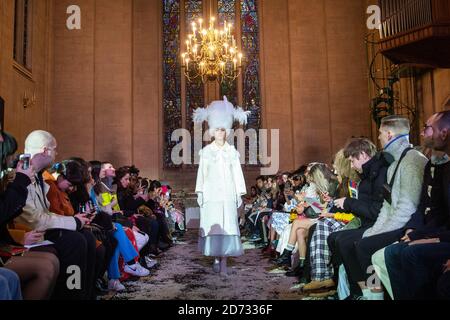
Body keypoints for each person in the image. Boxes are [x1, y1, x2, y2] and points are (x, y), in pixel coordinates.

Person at [372, 110, 450, 300]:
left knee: (409, 253)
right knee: (391, 253)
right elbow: (427, 206)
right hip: (435, 230)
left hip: (442, 234)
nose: (423, 133)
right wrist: (413, 231)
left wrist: (430, 238)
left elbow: (411, 205)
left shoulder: (417, 161)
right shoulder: (439, 166)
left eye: (427, 128)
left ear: (444, 132)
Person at [193, 96, 249, 276]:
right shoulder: (206, 152)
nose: (220, 133)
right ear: (212, 131)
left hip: (227, 193)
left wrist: (239, 193)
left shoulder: (232, 152)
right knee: (215, 225)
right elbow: (202, 173)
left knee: (228, 225)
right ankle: (216, 257)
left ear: (227, 131)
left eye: (223, 130)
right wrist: (200, 191)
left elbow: (237, 173)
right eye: (217, 130)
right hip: (211, 194)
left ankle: (224, 261)